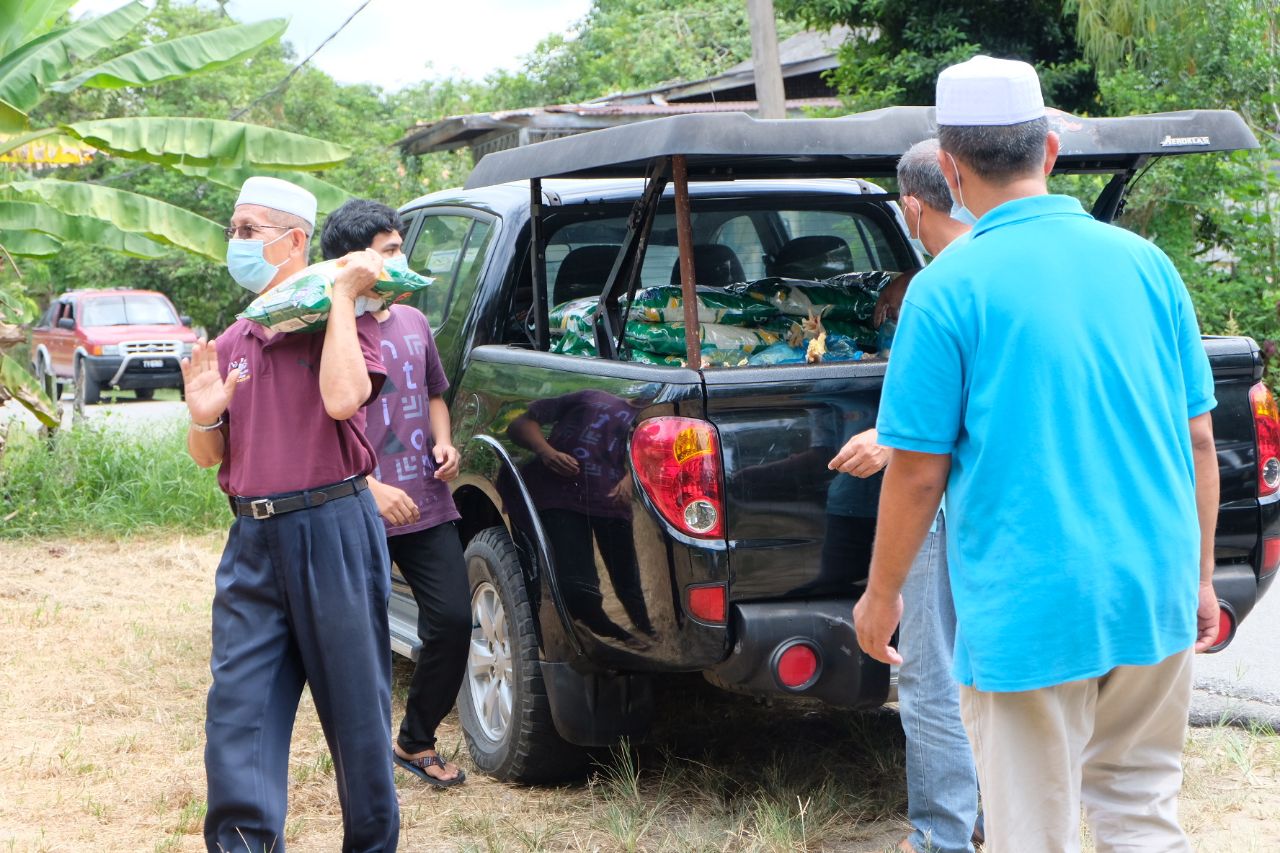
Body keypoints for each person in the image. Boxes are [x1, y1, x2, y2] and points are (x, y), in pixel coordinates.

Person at [852, 55, 1220, 853]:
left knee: (1032, 834)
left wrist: (880, 598)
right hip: (1151, 588)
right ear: (1049, 151)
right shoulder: (1148, 265)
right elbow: (1197, 437)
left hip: (1030, 606)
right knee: (1143, 815)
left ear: (948, 169)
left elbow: (917, 470)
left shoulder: (948, 287)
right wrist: (1197, 576)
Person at [183, 177, 399, 851]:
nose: (236, 242)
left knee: (357, 717)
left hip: (331, 527)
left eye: (250, 230)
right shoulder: (235, 338)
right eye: (234, 229)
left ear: (296, 240)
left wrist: (339, 295)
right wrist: (202, 416)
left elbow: (343, 400)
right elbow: (208, 453)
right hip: (252, 537)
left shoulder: (344, 324)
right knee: (237, 714)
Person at [828, 139, 977, 853]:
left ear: (914, 206)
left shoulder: (938, 286)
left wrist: (889, 439)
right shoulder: (1013, 265)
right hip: (1003, 512)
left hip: (944, 510)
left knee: (931, 676)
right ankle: (994, 817)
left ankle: (943, 835)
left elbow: (927, 445)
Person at [320, 198, 469, 788]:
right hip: (360, 508)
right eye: (389, 250)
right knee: (359, 640)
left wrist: (445, 442)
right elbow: (326, 423)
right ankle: (362, 758)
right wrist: (370, 487)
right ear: (353, 261)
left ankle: (415, 741)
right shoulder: (327, 332)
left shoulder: (412, 322)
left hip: (428, 503)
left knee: (454, 621)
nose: (400, 259)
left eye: (400, 247)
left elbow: (435, 392)